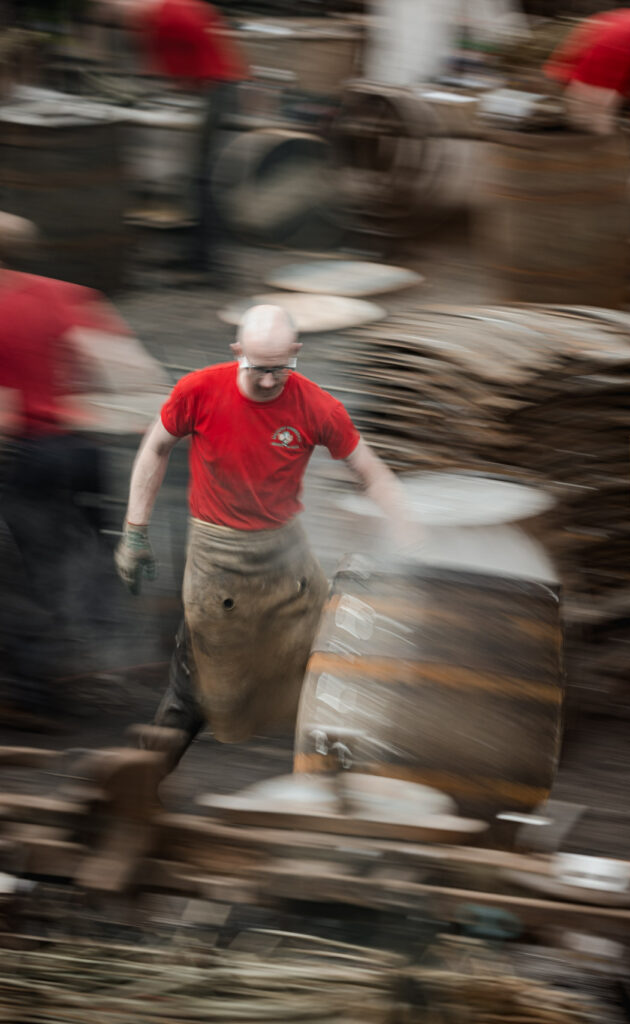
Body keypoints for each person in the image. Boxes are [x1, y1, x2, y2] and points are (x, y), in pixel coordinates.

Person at [114, 304, 413, 769]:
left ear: (296, 352)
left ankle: (335, 781)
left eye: (281, 369)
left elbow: (371, 473)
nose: (270, 381)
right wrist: (134, 531)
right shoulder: (198, 390)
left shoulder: (316, 405)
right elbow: (155, 447)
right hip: (217, 560)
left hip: (286, 559)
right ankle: (135, 785)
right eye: (258, 369)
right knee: (192, 689)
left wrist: (409, 534)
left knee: (332, 656)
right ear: (237, 352)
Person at [0, 212, 168, 727]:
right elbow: (132, 369)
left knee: (29, 577)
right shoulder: (62, 294)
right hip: (80, 451)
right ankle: (120, 653)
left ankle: (36, 691)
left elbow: (5, 409)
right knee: (88, 558)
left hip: (31, 457)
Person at [98, 0, 248, 277]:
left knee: (204, 179)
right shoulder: (156, 16)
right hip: (210, 88)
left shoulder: (170, 14)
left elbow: (199, 45)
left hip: (217, 89)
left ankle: (209, 264)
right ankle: (196, 254)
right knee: (197, 178)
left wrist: (188, 81)